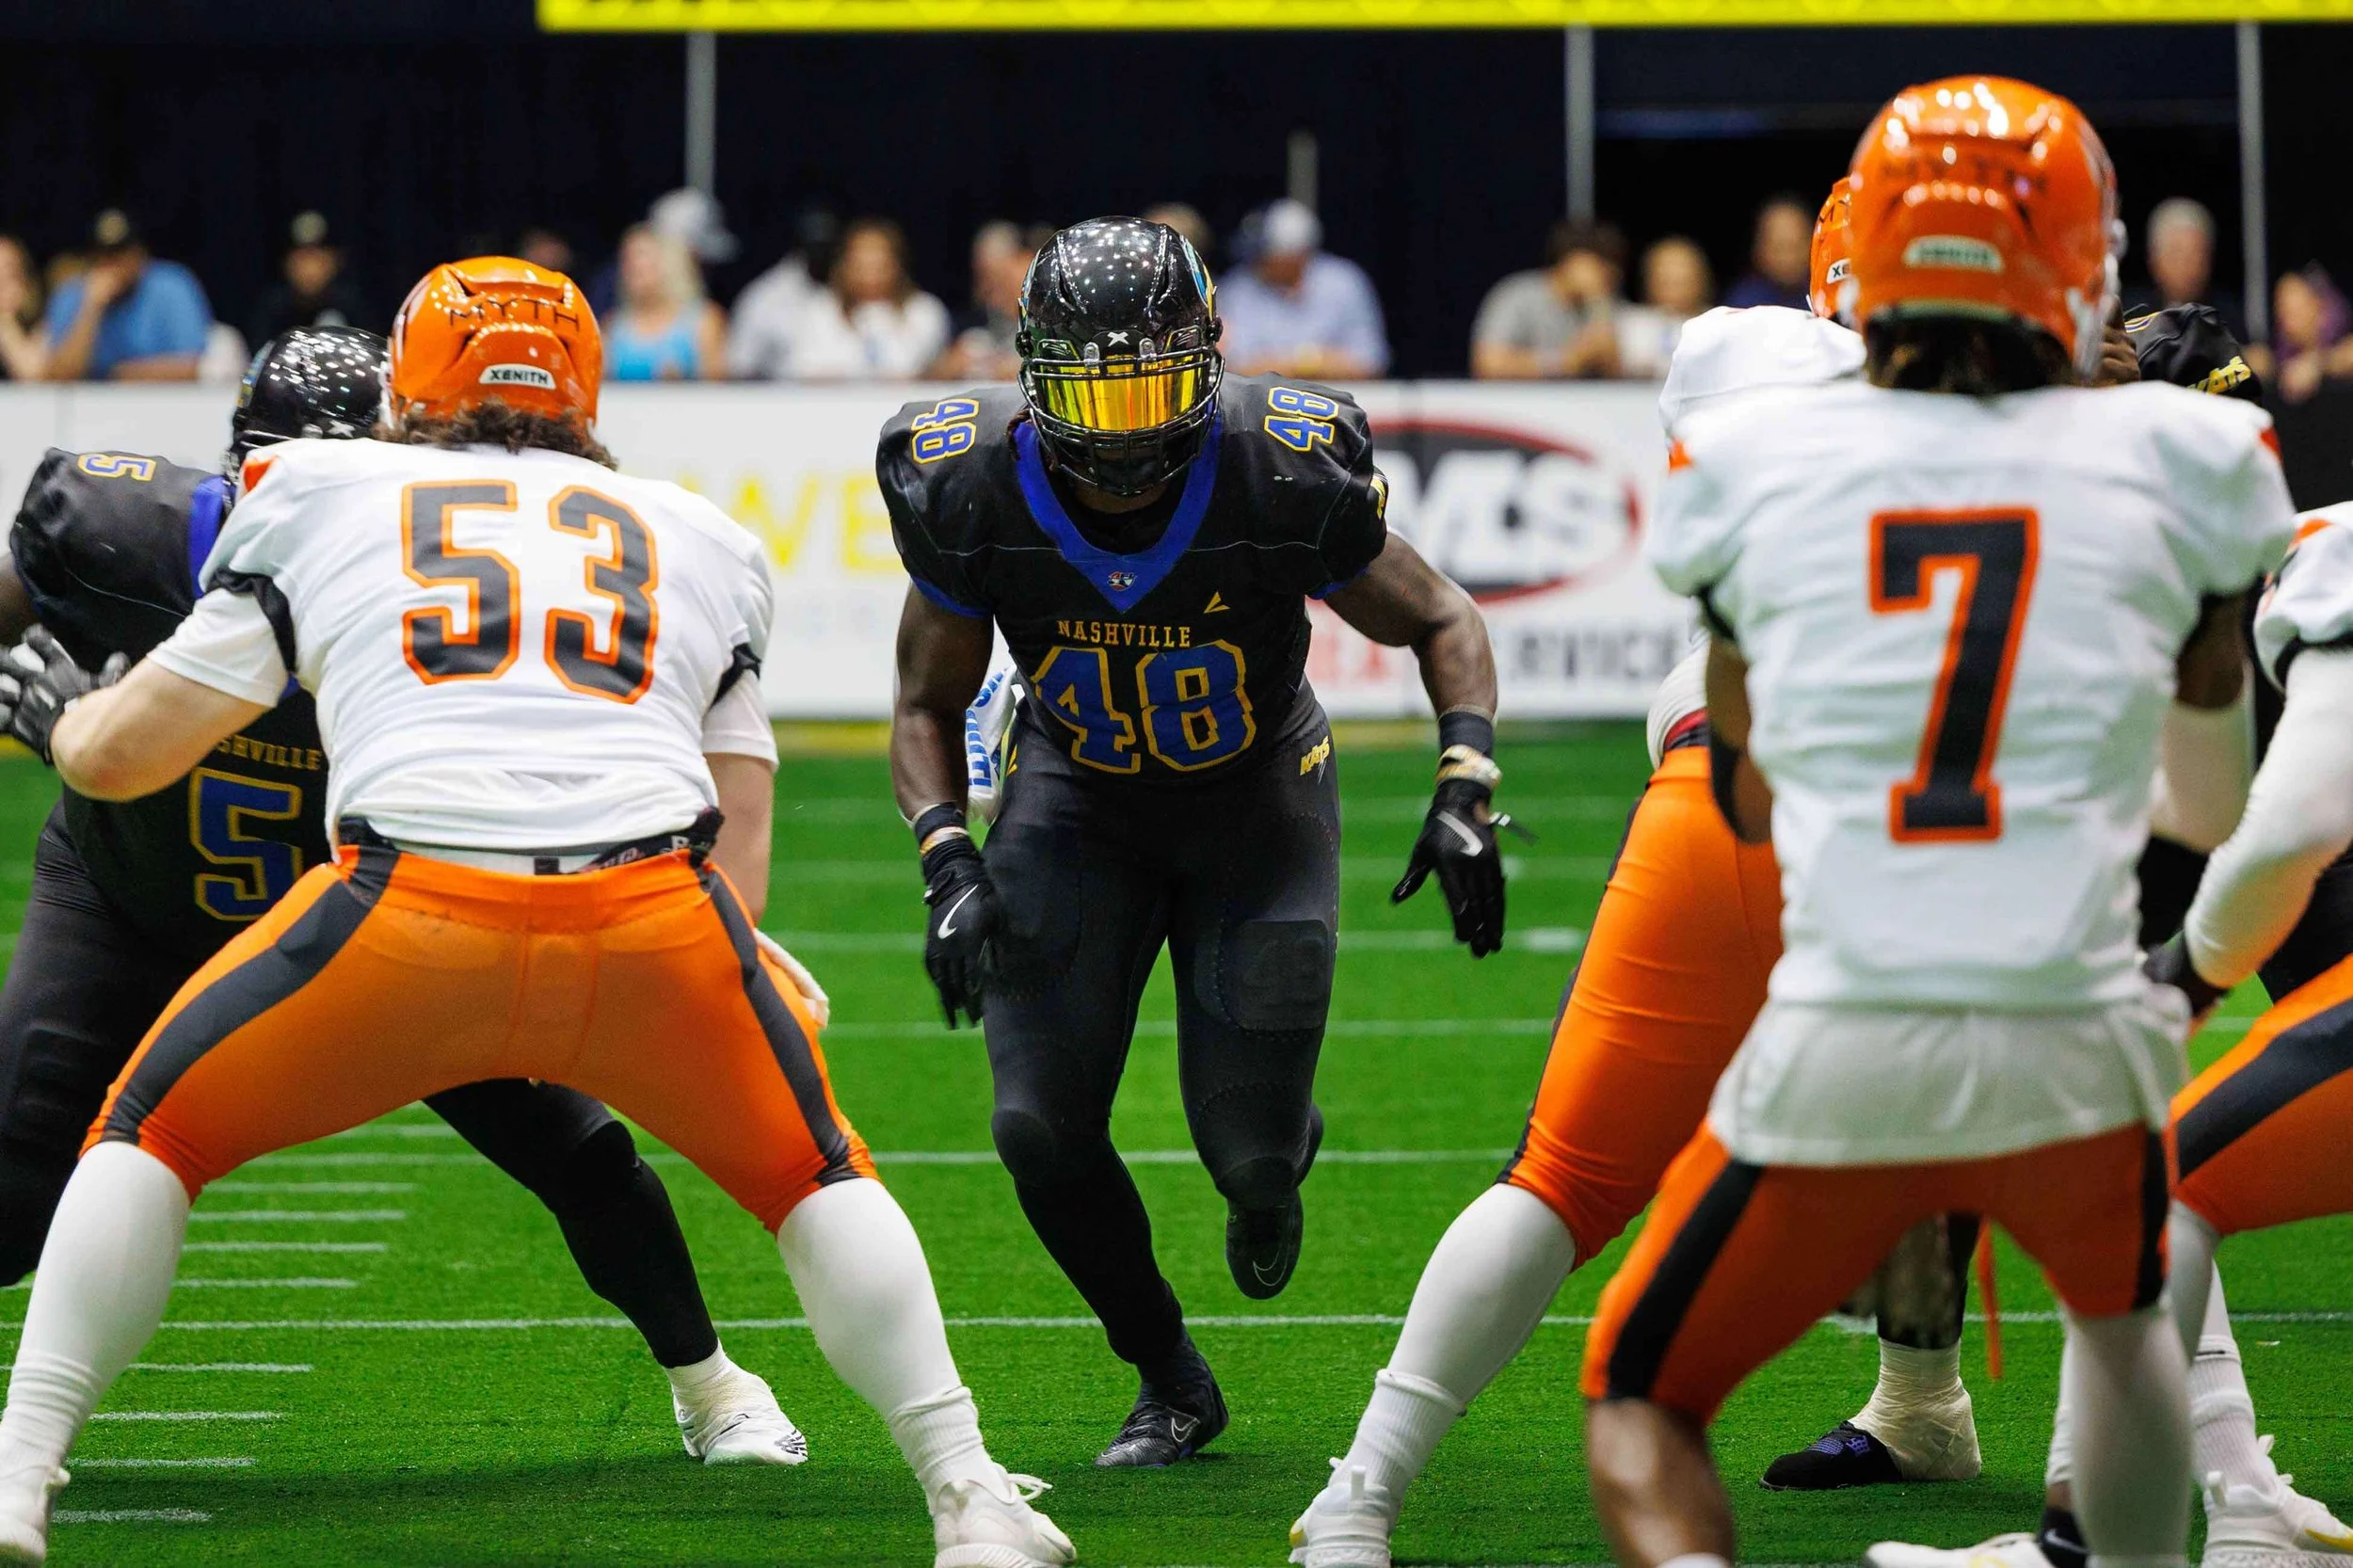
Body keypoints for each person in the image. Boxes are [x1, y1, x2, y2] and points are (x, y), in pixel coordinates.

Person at [0, 259, 1073, 1568]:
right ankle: (968, 1496)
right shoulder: (694, 529)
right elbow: (739, 811)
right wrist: (727, 962)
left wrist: (65, 724)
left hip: (411, 908)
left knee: (144, 1134)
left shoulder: (322, 491)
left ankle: (18, 1475)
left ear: (411, 384)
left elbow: (117, 760)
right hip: (649, 917)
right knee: (819, 1175)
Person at [1582, 77, 2292, 1567]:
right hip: (2085, 1033)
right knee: (2123, 1319)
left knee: (1641, 1394)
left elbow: (1750, 791)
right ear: (2080, 258)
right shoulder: (2196, 457)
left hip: (1854, 1017)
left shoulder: (1756, 466)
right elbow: (2215, 804)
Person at [0, 321, 805, 1469]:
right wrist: (58, 706)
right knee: (18, 1157)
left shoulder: (452, 581)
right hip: (131, 899)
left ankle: (713, 1384)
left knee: (574, 1148)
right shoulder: (117, 535)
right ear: (241, 468)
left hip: (387, 913)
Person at [881, 216, 1499, 1469]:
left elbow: (1439, 614)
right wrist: (948, 856)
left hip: (1254, 800)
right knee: (1035, 1127)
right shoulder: (969, 478)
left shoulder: (1277, 465)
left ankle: (1274, 1175)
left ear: (1209, 362)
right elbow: (923, 702)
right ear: (1033, 376)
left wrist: (1466, 775)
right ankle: (1168, 1374)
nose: (1116, 429)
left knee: (1252, 1156)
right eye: (1089, 392)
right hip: (1073, 797)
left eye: (1147, 386)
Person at [1217, 199, 1389, 379]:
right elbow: (1233, 368)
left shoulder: (1344, 282)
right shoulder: (1239, 288)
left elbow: (1371, 362)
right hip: (1263, 402)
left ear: (1296, 254)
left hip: (1338, 399)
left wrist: (1292, 363)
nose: (1257, 261)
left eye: (1265, 253)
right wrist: (1315, 361)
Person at [40, 210, 210, 382]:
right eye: (104, 254)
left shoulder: (171, 286)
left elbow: (192, 368)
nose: (112, 263)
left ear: (139, 252)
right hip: (92, 407)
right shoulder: (72, 295)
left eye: (120, 252)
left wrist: (116, 375)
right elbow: (59, 378)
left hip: (163, 404)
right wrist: (91, 308)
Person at [780, 217, 949, 381]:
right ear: (843, 265)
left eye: (879, 265)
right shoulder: (818, 310)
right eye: (860, 265)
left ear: (897, 265)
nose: (870, 276)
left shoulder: (925, 311)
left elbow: (927, 372)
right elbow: (802, 372)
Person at [1469, 219, 1630, 380]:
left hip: (1582, 403)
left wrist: (1599, 302)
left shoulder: (1607, 303)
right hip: (1522, 402)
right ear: (1571, 259)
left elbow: (1615, 371)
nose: (1611, 272)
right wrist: (1564, 361)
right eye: (1601, 262)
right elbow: (1488, 364)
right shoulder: (1519, 296)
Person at [727, 208, 841, 381]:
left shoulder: (856, 292)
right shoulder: (766, 297)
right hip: (783, 400)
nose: (821, 255)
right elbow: (741, 367)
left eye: (828, 248)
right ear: (799, 246)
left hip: (846, 399)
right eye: (815, 247)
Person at [606, 223, 726, 381]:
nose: (632, 265)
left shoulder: (704, 321)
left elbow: (719, 389)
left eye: (641, 255)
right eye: (627, 258)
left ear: (670, 263)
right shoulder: (613, 325)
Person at [932, 220, 1044, 382]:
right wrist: (947, 367)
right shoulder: (983, 326)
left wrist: (1023, 369)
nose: (994, 297)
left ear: (1024, 260)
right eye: (986, 280)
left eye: (1001, 280)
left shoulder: (1053, 315)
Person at [245, 211, 374, 348]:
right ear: (286, 262)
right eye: (302, 257)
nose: (309, 268)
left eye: (316, 257)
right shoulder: (272, 309)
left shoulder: (352, 306)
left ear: (336, 260)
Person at [1612, 236, 1715, 380]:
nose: (1674, 278)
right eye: (1666, 278)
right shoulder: (1629, 324)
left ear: (1701, 279)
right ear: (1649, 279)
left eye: (1681, 277)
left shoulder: (1718, 324)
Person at [2256, 265, 2353, 404]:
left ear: (2319, 307)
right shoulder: (2279, 346)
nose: (2286, 321)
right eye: (2282, 308)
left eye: (2296, 311)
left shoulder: (2341, 336)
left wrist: (2318, 365)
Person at [1721, 194, 1812, 310]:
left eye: (1795, 246)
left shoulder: (1830, 296)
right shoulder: (1741, 303)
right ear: (1759, 250)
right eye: (1779, 248)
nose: (1788, 258)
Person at [0, 237, 45, 381]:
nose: (3, 287)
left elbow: (32, 374)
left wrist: (5, 322)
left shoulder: (43, 323)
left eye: (10, 276)